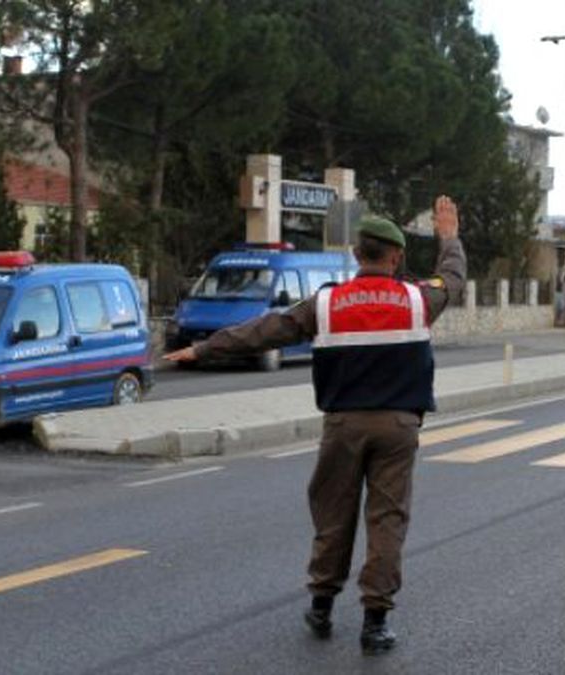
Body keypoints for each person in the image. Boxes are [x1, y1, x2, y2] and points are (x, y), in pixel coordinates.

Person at [164, 196, 465, 655]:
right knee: (387, 520)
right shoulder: (418, 298)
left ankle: (322, 606)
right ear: (397, 257)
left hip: (343, 425)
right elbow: (456, 280)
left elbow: (267, 330)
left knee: (333, 513)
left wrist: (205, 349)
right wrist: (449, 239)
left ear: (355, 254)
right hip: (399, 426)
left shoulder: (326, 304)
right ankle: (375, 623)